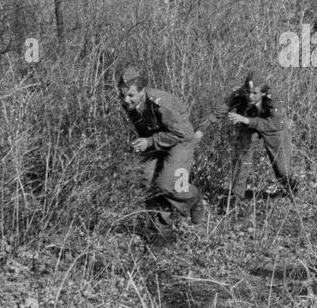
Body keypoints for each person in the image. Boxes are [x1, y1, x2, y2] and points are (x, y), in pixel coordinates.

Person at [117, 66, 205, 233]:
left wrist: (149, 141)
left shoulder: (161, 103)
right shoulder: (128, 104)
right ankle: (162, 232)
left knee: (169, 185)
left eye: (130, 95)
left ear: (142, 91)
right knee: (148, 182)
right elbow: (143, 128)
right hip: (158, 141)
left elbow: (181, 133)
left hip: (181, 141)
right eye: (123, 95)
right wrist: (143, 144)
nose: (125, 100)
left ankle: (194, 198)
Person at [225, 72, 298, 203]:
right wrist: (200, 131)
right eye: (248, 91)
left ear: (263, 93)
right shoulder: (240, 94)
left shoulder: (273, 98)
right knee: (242, 158)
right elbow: (220, 110)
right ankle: (235, 198)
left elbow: (274, 124)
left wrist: (247, 120)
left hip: (273, 128)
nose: (249, 96)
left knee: (282, 169)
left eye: (254, 93)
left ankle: (292, 191)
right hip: (249, 123)